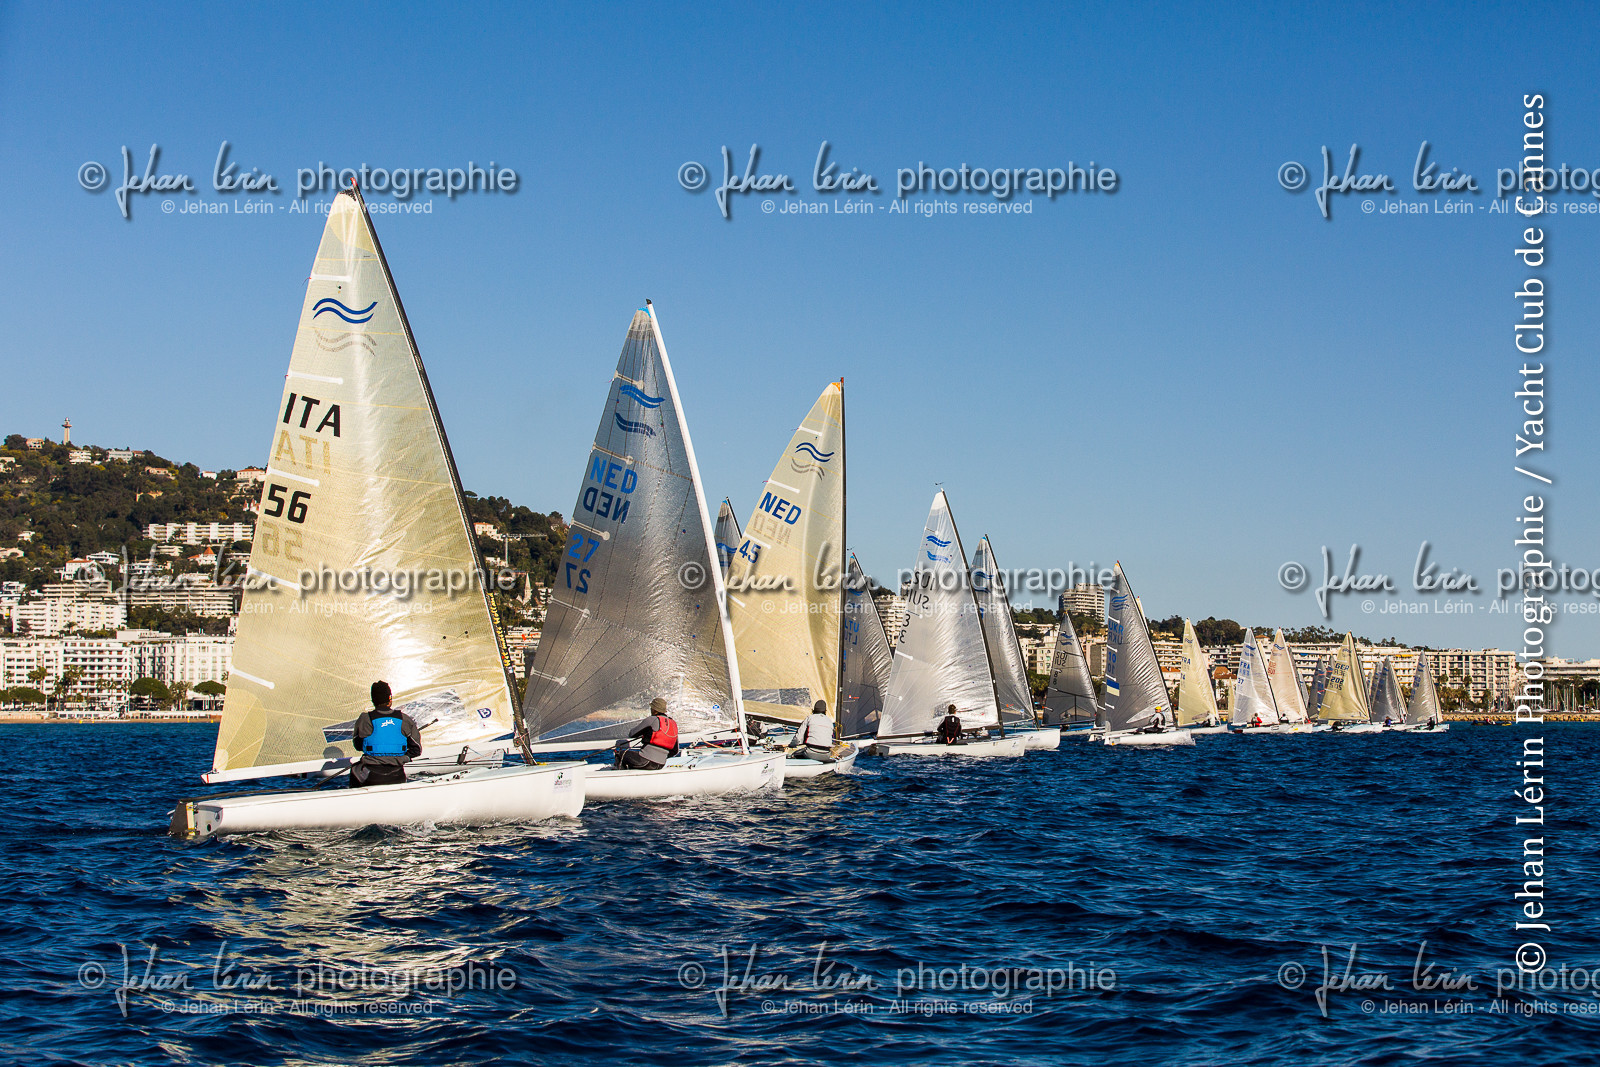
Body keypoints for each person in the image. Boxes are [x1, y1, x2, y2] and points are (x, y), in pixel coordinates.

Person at [350, 680, 423, 787]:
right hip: (397, 775)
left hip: (371, 776)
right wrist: (401, 757)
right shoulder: (405, 720)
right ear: (390, 698)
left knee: (355, 769)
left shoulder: (365, 719)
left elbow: (358, 745)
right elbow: (416, 750)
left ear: (373, 700)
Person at [614, 698, 678, 770]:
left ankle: (622, 777)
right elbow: (675, 750)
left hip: (645, 761)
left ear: (654, 709)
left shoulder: (652, 719)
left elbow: (632, 734)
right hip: (661, 764)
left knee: (620, 754)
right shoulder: (673, 724)